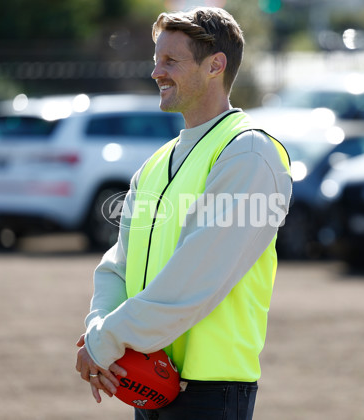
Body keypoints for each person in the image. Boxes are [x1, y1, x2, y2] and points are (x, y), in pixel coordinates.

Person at [75, 7, 292, 420]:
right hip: (145, 384)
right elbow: (116, 268)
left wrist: (106, 341)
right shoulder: (156, 164)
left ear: (216, 65)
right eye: (156, 60)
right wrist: (99, 330)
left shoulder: (249, 153)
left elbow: (196, 277)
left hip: (210, 394)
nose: (156, 72)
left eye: (170, 61)